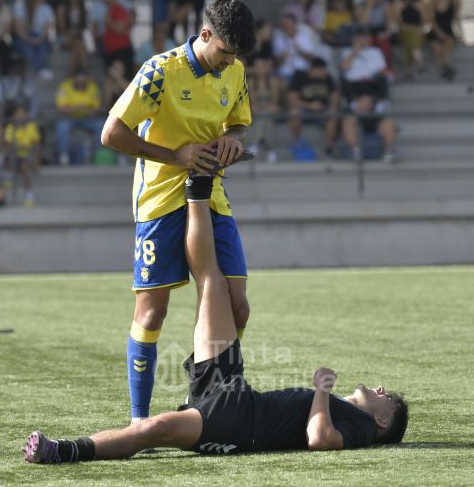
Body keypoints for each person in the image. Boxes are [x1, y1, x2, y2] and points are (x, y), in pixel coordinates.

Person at [24, 176, 409, 463]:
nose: (379, 388)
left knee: (150, 430)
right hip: (235, 390)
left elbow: (320, 439)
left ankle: (64, 451)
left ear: (382, 423)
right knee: (214, 283)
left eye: (386, 398)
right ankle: (197, 188)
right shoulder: (359, 418)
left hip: (239, 425)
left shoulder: (359, 429)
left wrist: (322, 389)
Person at [100, 0, 256, 423]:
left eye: (235, 55)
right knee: (153, 311)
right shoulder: (160, 71)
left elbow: (239, 122)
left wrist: (233, 139)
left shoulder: (235, 70)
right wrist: (177, 156)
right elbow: (111, 134)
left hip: (209, 194)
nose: (229, 62)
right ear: (205, 35)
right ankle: (138, 419)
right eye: (225, 52)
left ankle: (204, 395)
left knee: (237, 305)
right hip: (160, 199)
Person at [286, 58, 340, 156]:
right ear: (315, 69)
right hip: (304, 110)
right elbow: (292, 99)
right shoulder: (300, 76)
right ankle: (297, 141)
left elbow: (335, 94)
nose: (325, 72)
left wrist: (332, 106)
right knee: (294, 113)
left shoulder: (327, 78)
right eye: (323, 70)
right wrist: (310, 106)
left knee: (333, 114)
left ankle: (329, 146)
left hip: (322, 110)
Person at [55, 68, 103, 165]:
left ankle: (98, 154)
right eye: (79, 79)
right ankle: (63, 155)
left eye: (83, 79)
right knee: (62, 127)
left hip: (88, 119)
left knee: (100, 124)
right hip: (70, 118)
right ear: (74, 79)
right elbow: (61, 109)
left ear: (87, 79)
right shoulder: (65, 86)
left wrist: (74, 107)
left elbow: (95, 110)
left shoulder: (93, 87)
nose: (81, 82)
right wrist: (82, 108)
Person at [273, 13, 320, 104]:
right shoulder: (279, 38)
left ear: (294, 25)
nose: (286, 28)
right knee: (281, 85)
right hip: (286, 73)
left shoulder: (304, 37)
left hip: (303, 72)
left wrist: (299, 50)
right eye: (284, 26)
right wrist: (283, 56)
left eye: (288, 25)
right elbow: (276, 61)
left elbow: (311, 58)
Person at [13, 0, 55, 80]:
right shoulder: (20, 5)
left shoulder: (47, 8)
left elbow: (46, 31)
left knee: (43, 46)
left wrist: (38, 40)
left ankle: (42, 69)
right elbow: (18, 29)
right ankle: (40, 69)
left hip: (40, 37)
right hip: (24, 37)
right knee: (27, 47)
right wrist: (29, 39)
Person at [341, 93, 398, 162]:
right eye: (364, 102)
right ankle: (355, 152)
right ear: (357, 103)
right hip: (357, 148)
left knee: (389, 122)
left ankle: (389, 152)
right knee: (348, 121)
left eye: (369, 102)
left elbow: (393, 129)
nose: (367, 105)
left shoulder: (377, 116)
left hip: (376, 146)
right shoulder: (350, 115)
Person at [3, 103, 40, 207]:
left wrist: (37, 161)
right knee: (10, 154)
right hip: (14, 156)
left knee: (24, 166)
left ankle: (29, 196)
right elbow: (9, 144)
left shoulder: (31, 126)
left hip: (27, 157)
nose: (20, 116)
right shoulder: (10, 127)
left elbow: (35, 146)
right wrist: (22, 147)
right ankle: (8, 175)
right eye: (18, 114)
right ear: (14, 116)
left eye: (22, 114)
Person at [426, 0, 460, 81]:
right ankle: (446, 69)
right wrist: (439, 32)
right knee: (436, 47)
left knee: (448, 43)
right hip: (436, 29)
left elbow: (456, 14)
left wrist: (461, 32)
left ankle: (445, 68)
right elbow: (431, 20)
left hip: (448, 29)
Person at [340, 28, 388, 102]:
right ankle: (353, 105)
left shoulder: (376, 51)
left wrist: (370, 75)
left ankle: (380, 105)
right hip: (353, 83)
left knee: (383, 79)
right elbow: (344, 67)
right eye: (363, 37)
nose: (367, 39)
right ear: (356, 38)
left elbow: (383, 69)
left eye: (368, 37)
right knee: (343, 81)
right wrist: (354, 53)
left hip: (370, 82)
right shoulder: (346, 51)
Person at [99, 0, 135, 77]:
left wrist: (108, 22)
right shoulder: (109, 10)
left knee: (120, 82)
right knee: (112, 83)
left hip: (120, 52)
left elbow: (121, 29)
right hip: (111, 51)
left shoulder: (119, 9)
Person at [56, 0, 88, 72]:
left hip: (78, 38)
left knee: (77, 46)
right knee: (79, 44)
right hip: (65, 37)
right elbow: (61, 29)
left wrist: (76, 34)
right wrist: (71, 34)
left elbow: (84, 27)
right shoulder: (62, 8)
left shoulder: (83, 8)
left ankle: (73, 73)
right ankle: (84, 72)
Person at [246, 19, 276, 111]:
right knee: (250, 82)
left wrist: (262, 69)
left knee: (274, 81)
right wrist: (256, 70)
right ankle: (254, 105)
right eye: (268, 30)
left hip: (264, 76)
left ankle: (273, 104)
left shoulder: (267, 46)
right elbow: (241, 68)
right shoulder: (247, 46)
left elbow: (270, 66)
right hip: (249, 76)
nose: (270, 33)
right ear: (259, 31)